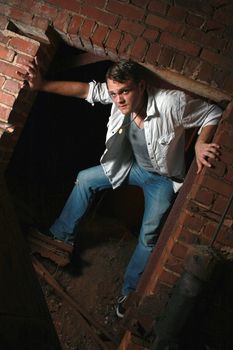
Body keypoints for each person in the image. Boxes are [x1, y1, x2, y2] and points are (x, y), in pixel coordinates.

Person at [19, 58, 222, 318]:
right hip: (130, 167)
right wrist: (42, 84)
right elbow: (85, 91)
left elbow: (212, 113)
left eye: (125, 92)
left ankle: (130, 291)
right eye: (114, 93)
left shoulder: (171, 102)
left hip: (161, 178)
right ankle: (59, 238)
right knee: (85, 179)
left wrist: (199, 144)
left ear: (141, 85)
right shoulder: (116, 97)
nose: (119, 99)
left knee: (149, 235)